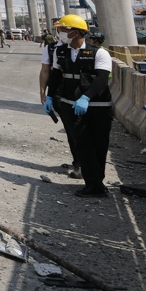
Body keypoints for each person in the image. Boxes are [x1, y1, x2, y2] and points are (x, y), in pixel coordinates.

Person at [45, 13, 114, 197]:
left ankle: (97, 182)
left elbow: (101, 79)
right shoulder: (61, 52)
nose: (59, 33)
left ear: (75, 32)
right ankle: (92, 184)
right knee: (82, 144)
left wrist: (87, 98)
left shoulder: (99, 53)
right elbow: (55, 76)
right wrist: (49, 97)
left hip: (98, 107)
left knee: (99, 144)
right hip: (71, 106)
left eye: (62, 30)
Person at [38, 22, 79, 179]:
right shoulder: (52, 49)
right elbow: (46, 71)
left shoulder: (89, 49)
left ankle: (84, 162)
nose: (62, 33)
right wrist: (44, 92)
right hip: (60, 93)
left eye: (66, 30)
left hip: (81, 92)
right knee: (70, 128)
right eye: (60, 30)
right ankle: (79, 162)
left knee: (80, 129)